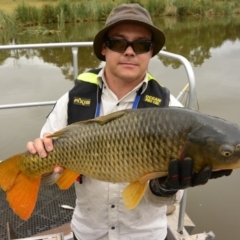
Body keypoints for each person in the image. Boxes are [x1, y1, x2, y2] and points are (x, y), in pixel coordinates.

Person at [27, 4, 232, 240]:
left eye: (142, 45)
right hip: (87, 233)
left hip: (146, 235)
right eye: (118, 43)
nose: (130, 52)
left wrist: (165, 187)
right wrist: (40, 163)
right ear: (104, 48)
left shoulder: (171, 110)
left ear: (151, 52)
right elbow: (50, 177)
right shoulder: (72, 102)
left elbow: (163, 201)